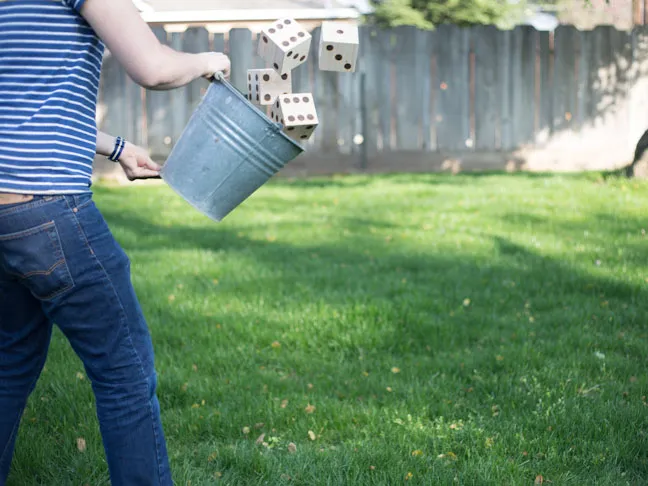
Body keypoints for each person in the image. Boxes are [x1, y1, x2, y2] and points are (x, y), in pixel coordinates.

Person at [0, 0, 230, 484]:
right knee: (124, 374)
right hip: (49, 211)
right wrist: (208, 61)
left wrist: (117, 148)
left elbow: (24, 104)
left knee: (9, 366)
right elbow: (154, 68)